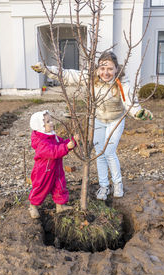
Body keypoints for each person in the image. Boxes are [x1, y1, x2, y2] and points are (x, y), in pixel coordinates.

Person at [31, 51, 153, 201]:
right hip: (98, 120)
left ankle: (118, 184)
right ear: (97, 69)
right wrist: (46, 69)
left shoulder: (122, 83)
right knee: (99, 153)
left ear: (116, 69)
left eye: (110, 69)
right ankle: (104, 186)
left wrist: (138, 112)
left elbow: (130, 103)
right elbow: (68, 75)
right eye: (102, 68)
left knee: (109, 151)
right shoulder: (91, 78)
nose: (105, 72)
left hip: (116, 120)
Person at [29, 110, 78, 218]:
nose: (51, 123)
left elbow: (61, 144)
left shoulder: (51, 135)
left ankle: (60, 206)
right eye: (47, 121)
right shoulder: (40, 141)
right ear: (40, 126)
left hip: (56, 168)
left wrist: (72, 141)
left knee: (60, 186)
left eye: (50, 120)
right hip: (44, 171)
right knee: (40, 188)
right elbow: (53, 151)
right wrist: (66, 147)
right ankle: (33, 206)